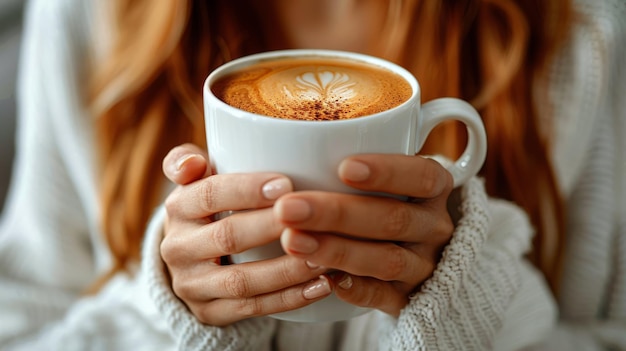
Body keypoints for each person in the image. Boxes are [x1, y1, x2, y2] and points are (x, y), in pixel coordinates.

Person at [0, 0, 624, 349]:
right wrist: (170, 312)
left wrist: (470, 298)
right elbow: (22, 327)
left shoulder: (586, 37)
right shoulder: (86, 17)